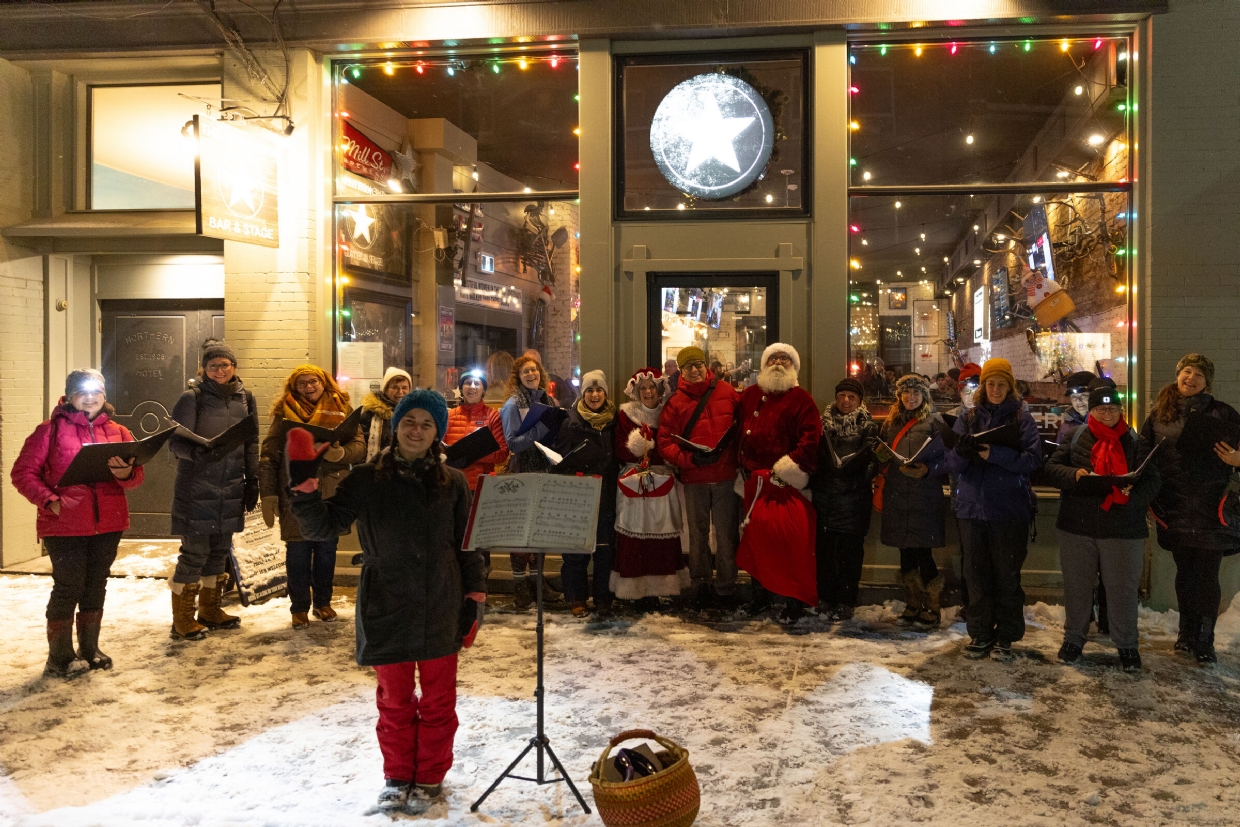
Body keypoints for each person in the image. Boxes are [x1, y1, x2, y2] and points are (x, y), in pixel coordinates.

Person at [288, 389, 485, 811]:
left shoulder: (452, 482)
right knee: (394, 700)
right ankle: (397, 774)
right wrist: (305, 488)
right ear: (396, 426)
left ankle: (430, 776)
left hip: (441, 599)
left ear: (438, 432)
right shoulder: (366, 477)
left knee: (438, 701)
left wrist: (475, 594)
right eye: (409, 421)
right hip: (386, 600)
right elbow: (325, 527)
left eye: (427, 424)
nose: (417, 430)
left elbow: (468, 543)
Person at [11, 369, 144, 677]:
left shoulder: (119, 431)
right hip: (65, 523)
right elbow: (23, 474)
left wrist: (126, 475)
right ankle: (59, 656)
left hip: (108, 523)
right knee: (69, 586)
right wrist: (51, 501)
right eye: (82, 392)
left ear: (104, 396)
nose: (89, 397)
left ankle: (89, 649)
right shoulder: (49, 431)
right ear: (70, 396)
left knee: (96, 584)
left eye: (96, 391)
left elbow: (136, 477)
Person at [1045, 379, 1159, 672]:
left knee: (1122, 589)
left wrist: (1133, 499)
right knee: (1077, 587)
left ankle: (1127, 646)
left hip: (1123, 528)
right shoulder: (1074, 435)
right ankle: (1073, 639)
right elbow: (1052, 468)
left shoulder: (1135, 442)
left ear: (1121, 410)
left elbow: (1153, 480)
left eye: (1112, 409)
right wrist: (1075, 476)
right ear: (1091, 411)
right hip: (1077, 526)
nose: (1107, 414)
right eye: (1100, 409)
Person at [1141, 354, 1240, 665]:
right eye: (1187, 371)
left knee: (1207, 576)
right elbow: (1144, 457)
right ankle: (1185, 636)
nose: (1191, 378)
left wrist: (1238, 460)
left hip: (1214, 508)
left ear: (1206, 381)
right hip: (1175, 506)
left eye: (1199, 374)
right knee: (1185, 574)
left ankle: (1205, 640)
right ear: (1178, 374)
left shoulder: (1223, 412)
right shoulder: (1159, 414)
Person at [947, 357, 1043, 662]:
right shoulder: (969, 418)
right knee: (975, 576)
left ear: (1010, 386)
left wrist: (996, 454)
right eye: (991, 383)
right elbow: (952, 463)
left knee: (1006, 576)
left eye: (1002, 384)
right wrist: (962, 452)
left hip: (1009, 510)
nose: (996, 389)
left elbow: (1033, 460)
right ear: (983, 386)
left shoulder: (1020, 419)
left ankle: (1006, 636)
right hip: (971, 509)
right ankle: (981, 633)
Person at [166, 340, 260, 640]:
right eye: (213, 365)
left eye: (224, 364)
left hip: (231, 484)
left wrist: (253, 480)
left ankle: (210, 610)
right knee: (195, 552)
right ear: (204, 369)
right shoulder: (191, 397)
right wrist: (197, 454)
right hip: (197, 486)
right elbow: (175, 442)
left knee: (219, 551)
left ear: (234, 367)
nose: (219, 370)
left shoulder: (246, 398)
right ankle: (182, 619)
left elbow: (251, 442)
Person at [259, 365, 366, 630]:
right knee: (298, 551)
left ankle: (323, 602)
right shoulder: (283, 414)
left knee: (326, 551)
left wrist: (340, 455)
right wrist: (269, 494)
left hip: (331, 492)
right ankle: (299, 608)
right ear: (293, 388)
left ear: (324, 382)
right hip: (296, 491)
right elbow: (269, 456)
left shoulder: (343, 409)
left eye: (313, 381)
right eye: (302, 383)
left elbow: (359, 447)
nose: (308, 387)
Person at [735, 343, 821, 621]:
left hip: (785, 485)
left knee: (789, 545)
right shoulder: (749, 395)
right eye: (773, 358)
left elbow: (811, 438)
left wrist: (786, 470)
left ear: (793, 366)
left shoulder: (802, 399)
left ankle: (793, 600)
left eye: (785, 359)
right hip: (752, 483)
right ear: (763, 364)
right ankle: (759, 595)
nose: (779, 363)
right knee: (755, 542)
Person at [657, 347, 742, 612]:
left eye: (698, 365)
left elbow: (742, 431)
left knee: (727, 534)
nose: (694, 371)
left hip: (726, 476)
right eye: (688, 367)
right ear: (681, 372)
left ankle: (727, 587)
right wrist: (689, 460)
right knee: (697, 535)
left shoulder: (728, 393)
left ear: (706, 367)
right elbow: (665, 443)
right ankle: (701, 584)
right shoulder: (674, 403)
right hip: (695, 478)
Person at [875, 375, 949, 630]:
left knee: (923, 550)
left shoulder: (935, 422)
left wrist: (928, 468)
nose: (910, 397)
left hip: (924, 494)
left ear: (924, 396)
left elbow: (949, 459)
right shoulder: (890, 423)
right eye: (906, 393)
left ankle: (933, 605)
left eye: (915, 393)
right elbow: (884, 454)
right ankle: (913, 601)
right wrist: (881, 455)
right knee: (904, 550)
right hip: (897, 493)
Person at [612, 368, 688, 610]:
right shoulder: (626, 415)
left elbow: (674, 443)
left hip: (663, 482)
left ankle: (661, 588)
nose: (647, 392)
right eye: (642, 388)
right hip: (634, 481)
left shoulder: (669, 413)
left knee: (662, 534)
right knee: (633, 535)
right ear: (636, 390)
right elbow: (620, 449)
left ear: (660, 389)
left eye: (651, 387)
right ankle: (635, 590)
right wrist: (638, 446)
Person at [808, 377, 879, 622]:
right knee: (825, 553)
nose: (846, 401)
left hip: (854, 499)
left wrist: (859, 475)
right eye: (842, 396)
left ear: (860, 401)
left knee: (850, 555)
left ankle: (846, 601)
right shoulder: (822, 424)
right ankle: (825, 597)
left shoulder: (868, 426)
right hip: (825, 497)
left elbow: (874, 460)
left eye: (852, 397)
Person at [554, 370, 619, 616]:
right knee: (576, 549)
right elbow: (560, 459)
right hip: (579, 493)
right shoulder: (571, 422)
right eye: (590, 390)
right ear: (583, 394)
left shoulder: (615, 420)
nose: (594, 395)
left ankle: (604, 598)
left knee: (605, 548)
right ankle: (576, 598)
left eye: (599, 390)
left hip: (606, 492)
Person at [499, 355, 560, 608]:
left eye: (534, 370)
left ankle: (537, 584)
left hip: (545, 468)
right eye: (525, 371)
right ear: (518, 376)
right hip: (522, 470)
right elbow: (513, 442)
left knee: (539, 529)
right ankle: (519, 585)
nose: (531, 374)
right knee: (520, 532)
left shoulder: (549, 400)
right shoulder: (513, 404)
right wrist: (541, 431)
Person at [443, 369, 509, 492]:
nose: (472, 386)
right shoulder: (449, 416)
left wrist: (470, 455)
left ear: (483, 389)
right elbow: (439, 449)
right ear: (461, 388)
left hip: (481, 485)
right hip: (453, 484)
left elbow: (502, 453)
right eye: (468, 383)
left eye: (477, 383)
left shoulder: (493, 416)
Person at [360, 367, 412, 462]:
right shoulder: (371, 413)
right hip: (376, 470)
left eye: (404, 388)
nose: (400, 392)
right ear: (386, 389)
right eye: (395, 387)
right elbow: (359, 445)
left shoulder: (413, 414)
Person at [1055, 371, 1096, 444]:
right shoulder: (1066, 425)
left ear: (1094, 396)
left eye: (1083, 395)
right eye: (1074, 397)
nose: (1078, 401)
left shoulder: (1105, 421)